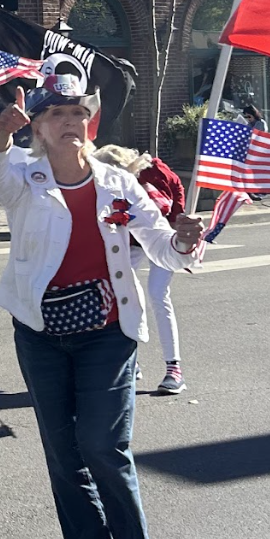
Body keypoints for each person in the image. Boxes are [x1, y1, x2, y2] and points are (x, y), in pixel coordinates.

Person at [0, 74, 204, 539]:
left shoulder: (118, 184)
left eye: (78, 113)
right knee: (62, 449)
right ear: (36, 124)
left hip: (107, 331)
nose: (70, 123)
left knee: (103, 444)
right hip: (41, 332)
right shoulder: (22, 174)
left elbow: (161, 246)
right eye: (56, 113)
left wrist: (184, 241)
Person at [91, 144, 190, 395]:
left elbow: (176, 192)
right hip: (132, 243)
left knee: (158, 294)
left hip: (161, 239)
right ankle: (130, 361)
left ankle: (173, 368)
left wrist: (178, 230)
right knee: (118, 289)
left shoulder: (155, 175)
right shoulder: (98, 188)